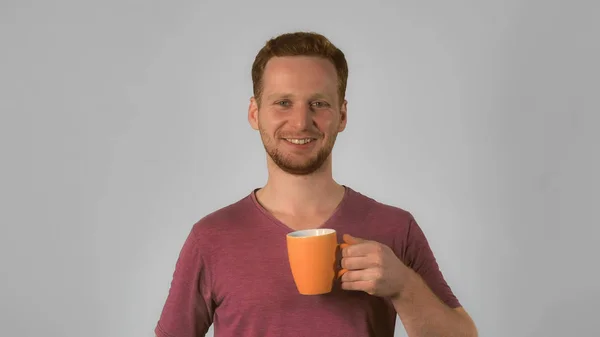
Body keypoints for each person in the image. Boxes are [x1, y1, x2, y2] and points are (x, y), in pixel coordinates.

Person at [154, 31, 478, 337]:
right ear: (255, 113)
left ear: (342, 115)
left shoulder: (395, 228)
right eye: (283, 102)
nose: (300, 122)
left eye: (319, 104)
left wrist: (404, 288)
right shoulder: (210, 238)